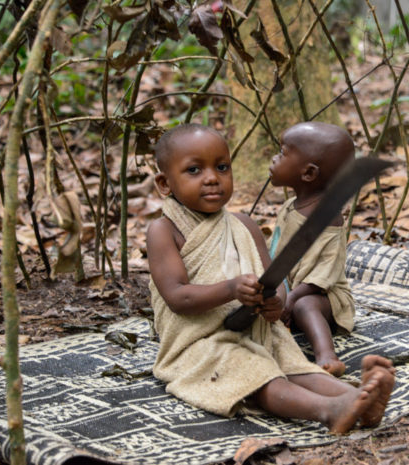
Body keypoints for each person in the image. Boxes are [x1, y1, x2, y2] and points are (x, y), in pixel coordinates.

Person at [146, 123, 394, 433]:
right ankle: (329, 410)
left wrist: (273, 305)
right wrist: (232, 288)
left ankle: (358, 397)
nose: (212, 178)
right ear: (164, 184)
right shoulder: (164, 231)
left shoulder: (244, 225)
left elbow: (275, 287)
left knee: (292, 363)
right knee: (258, 374)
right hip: (199, 340)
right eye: (194, 170)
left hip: (254, 329)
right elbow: (177, 297)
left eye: (222, 167)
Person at [268, 121, 358, 377]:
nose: (275, 159)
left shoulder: (328, 219)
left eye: (282, 154)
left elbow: (324, 276)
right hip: (288, 288)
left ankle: (326, 356)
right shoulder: (290, 207)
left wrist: (292, 299)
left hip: (323, 296)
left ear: (308, 173)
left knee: (305, 306)